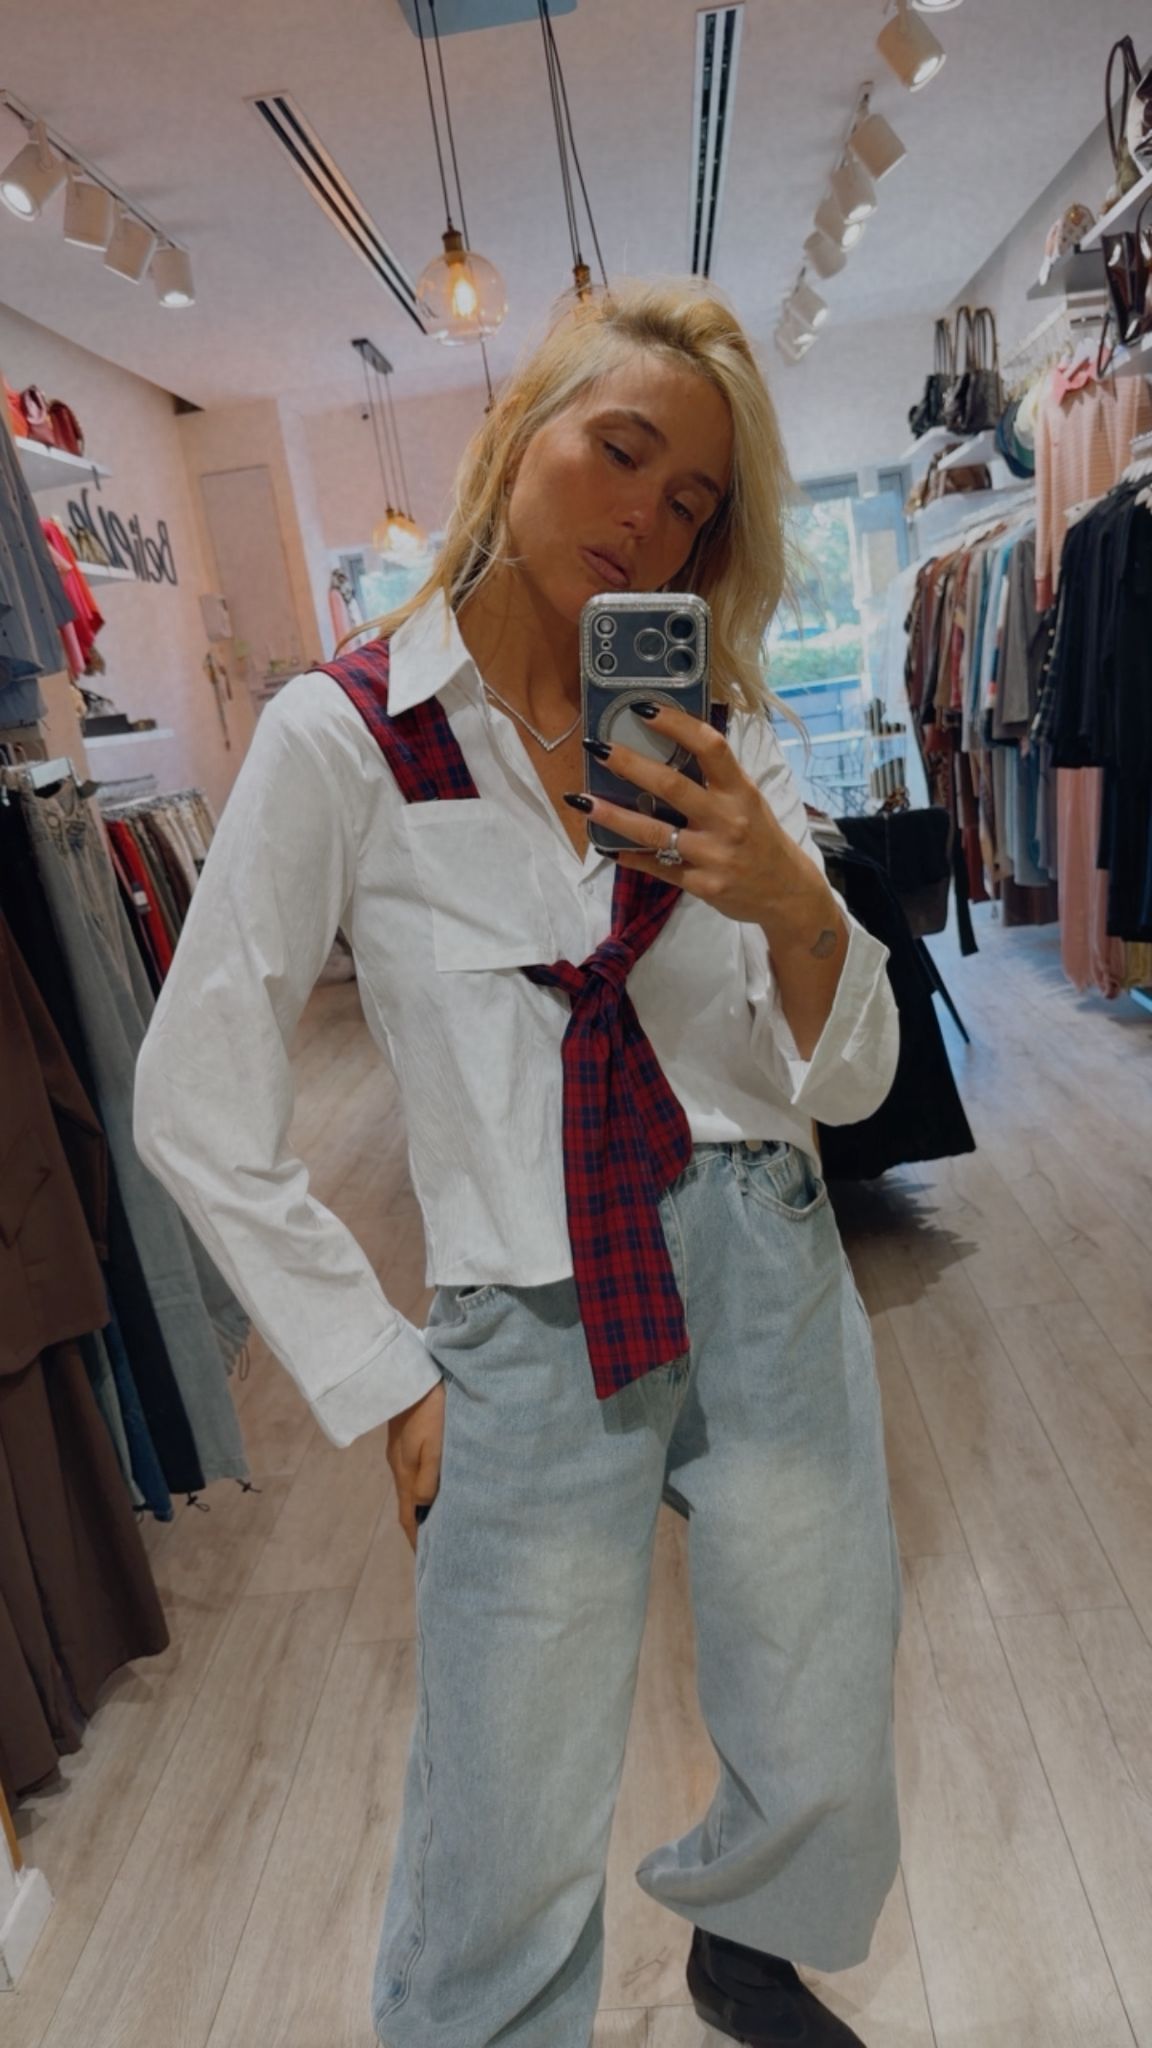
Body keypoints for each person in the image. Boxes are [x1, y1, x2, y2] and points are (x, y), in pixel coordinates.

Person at [134, 278, 903, 2048]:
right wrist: (381, 1376)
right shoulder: (346, 734)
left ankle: (751, 1945)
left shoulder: (715, 729)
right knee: (508, 1797)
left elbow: (849, 1080)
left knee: (820, 1700)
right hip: (533, 1309)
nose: (647, 518)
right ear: (514, 438)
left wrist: (787, 894)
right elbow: (193, 1098)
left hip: (764, 1258)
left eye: (692, 501)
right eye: (618, 452)